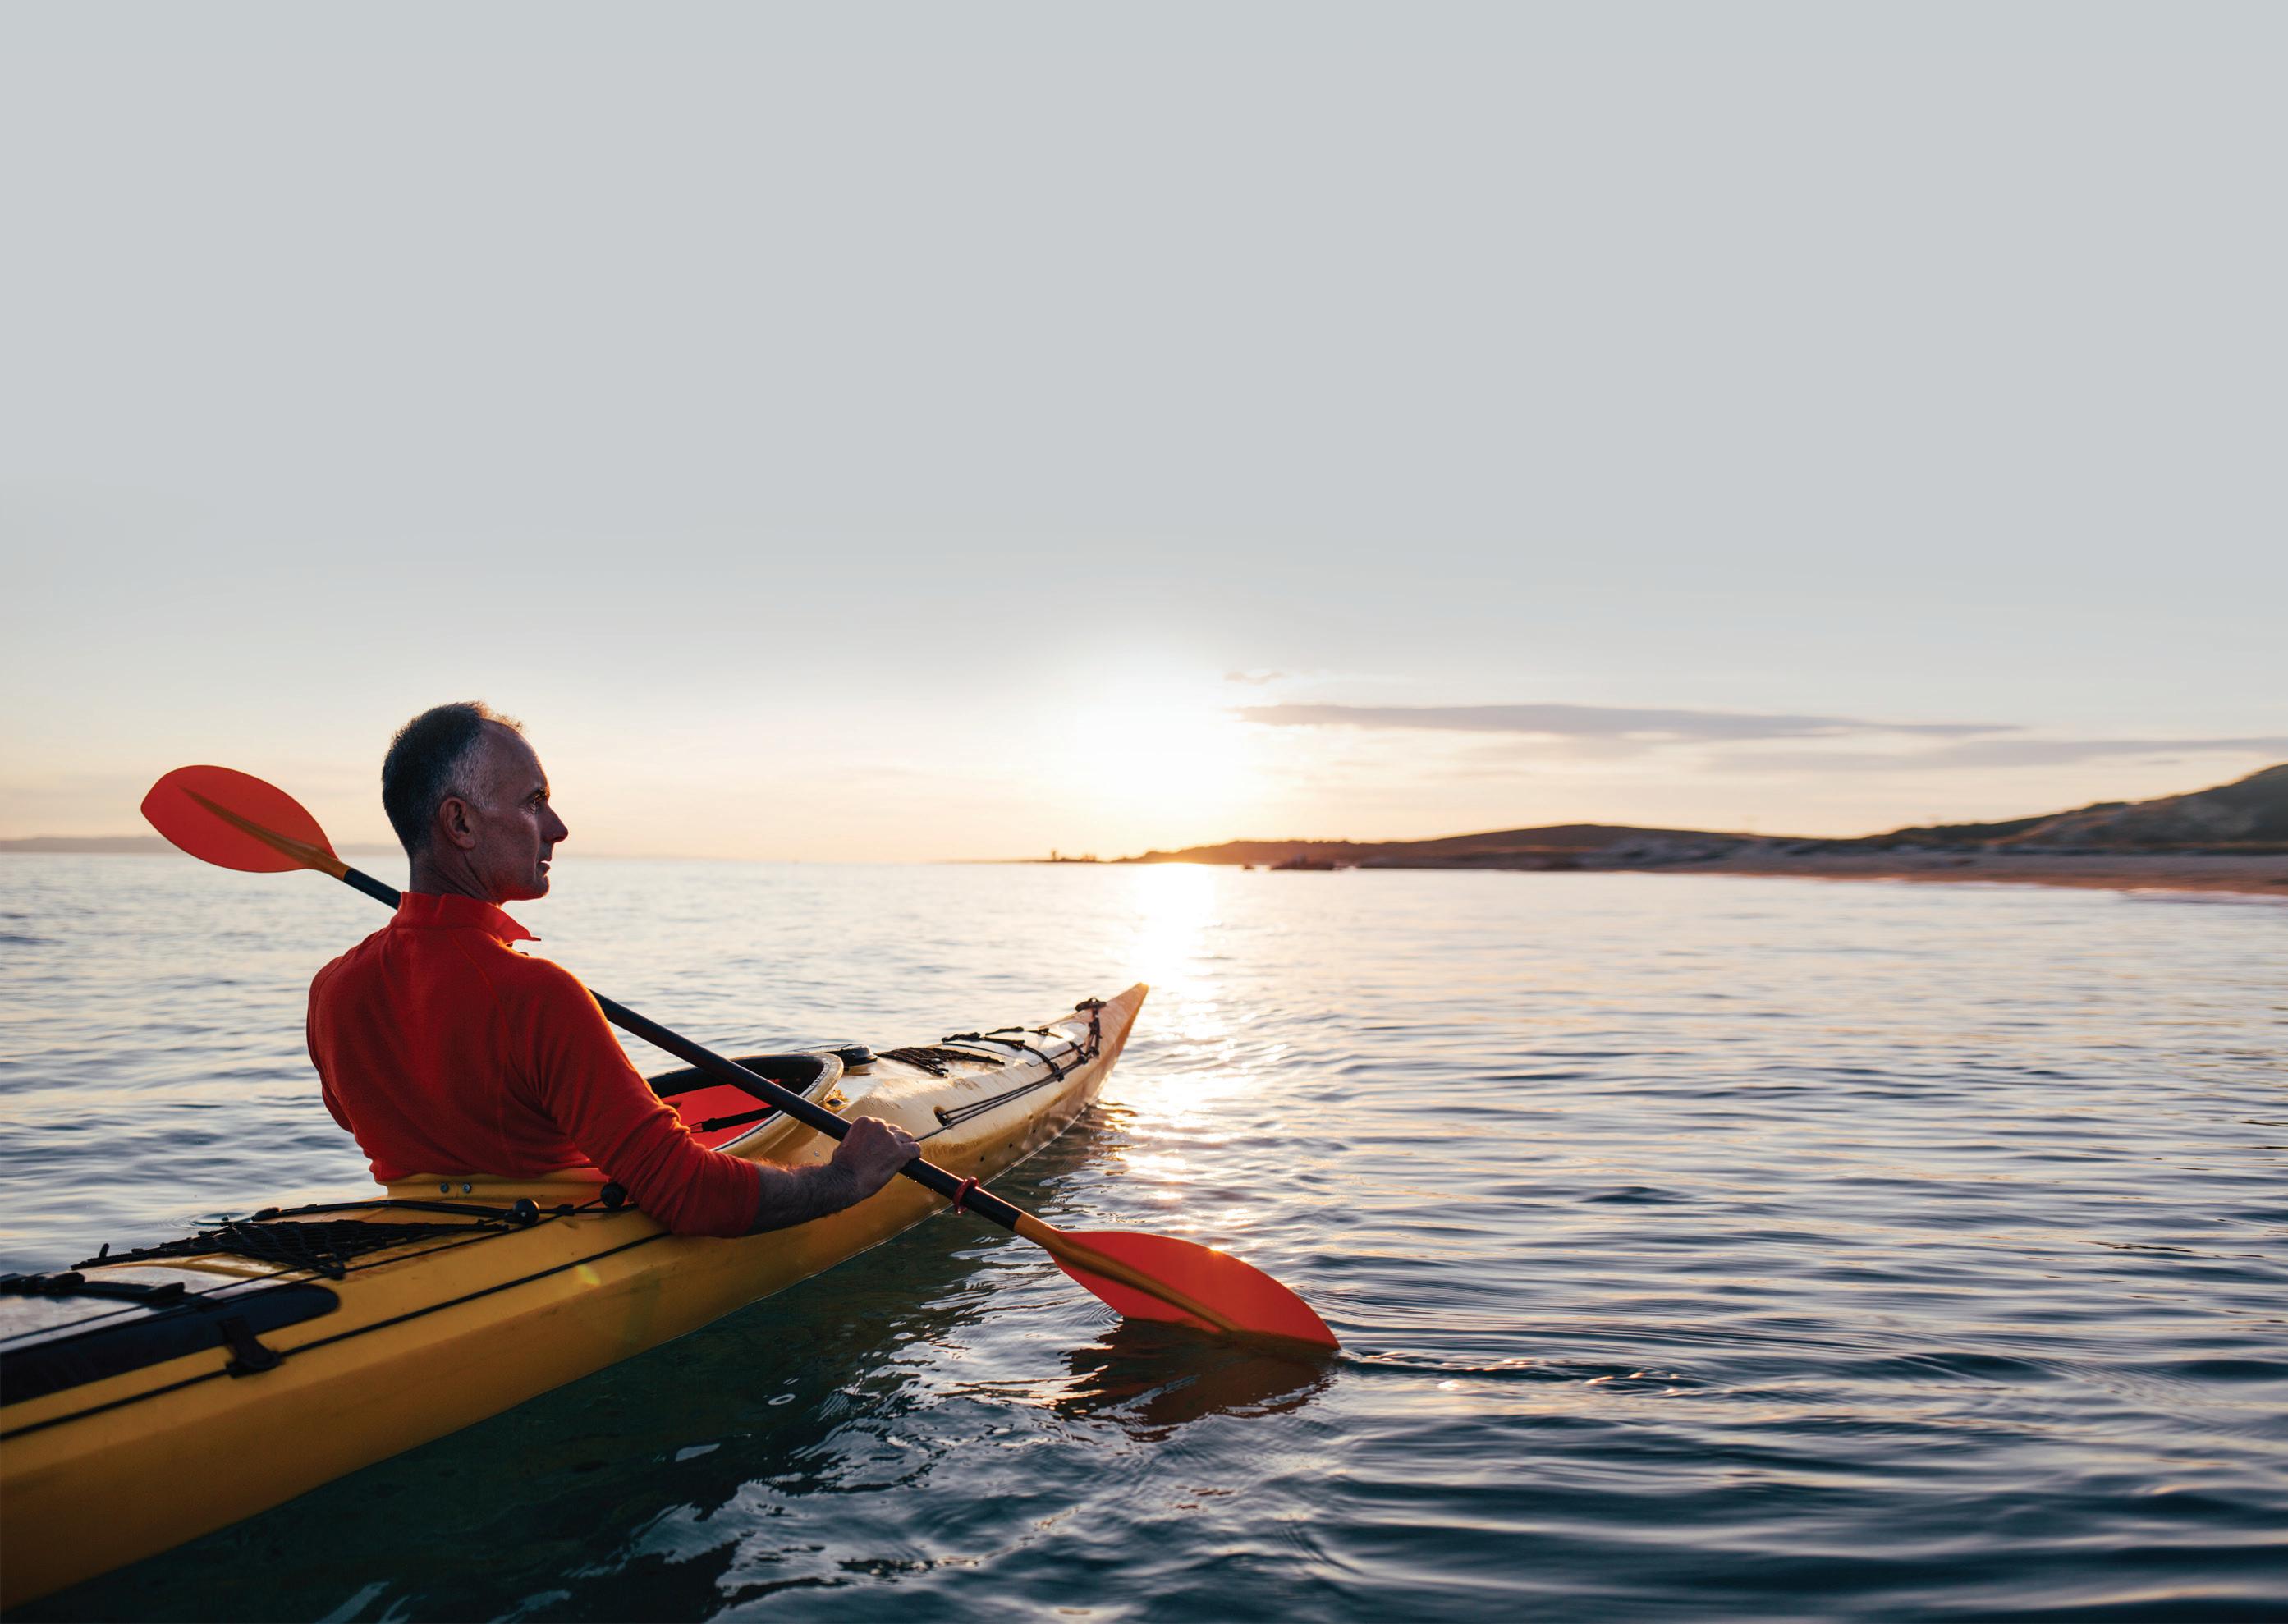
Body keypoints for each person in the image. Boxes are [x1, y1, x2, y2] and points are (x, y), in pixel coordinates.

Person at [307, 701, 918, 1235]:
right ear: (460, 823)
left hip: (419, 1240)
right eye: (534, 803)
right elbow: (689, 1195)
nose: (558, 828)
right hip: (552, 1243)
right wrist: (846, 1177)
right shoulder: (537, 995)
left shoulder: (333, 989)